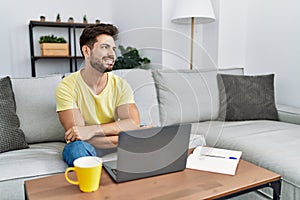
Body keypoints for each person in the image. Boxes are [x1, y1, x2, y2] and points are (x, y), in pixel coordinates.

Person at [55, 23, 140, 166]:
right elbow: (79, 136)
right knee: (75, 149)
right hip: (88, 146)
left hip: (107, 139)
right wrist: (128, 135)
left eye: (113, 49)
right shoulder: (67, 86)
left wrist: (93, 130)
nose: (112, 54)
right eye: (104, 47)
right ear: (87, 51)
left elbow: (132, 123)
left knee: (155, 136)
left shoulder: (120, 85)